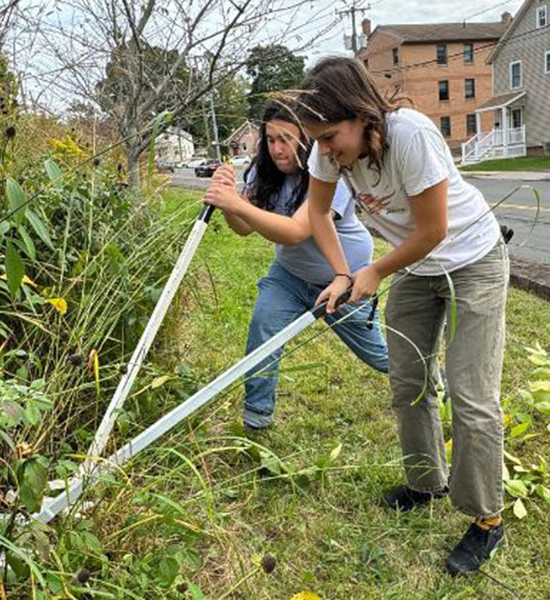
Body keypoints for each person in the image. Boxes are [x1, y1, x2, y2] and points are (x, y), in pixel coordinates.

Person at [296, 57, 510, 575]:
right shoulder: (330, 154)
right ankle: (426, 482)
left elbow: (433, 231)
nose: (325, 150)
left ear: (360, 114)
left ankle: (486, 519)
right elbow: (319, 213)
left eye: (330, 136)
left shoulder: (409, 135)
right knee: (407, 380)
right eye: (317, 140)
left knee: (471, 393)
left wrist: (373, 272)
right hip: (417, 268)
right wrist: (345, 273)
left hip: (471, 261)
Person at [202, 101, 389, 430]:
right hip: (289, 276)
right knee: (263, 327)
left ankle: (434, 384)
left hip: (344, 282)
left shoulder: (330, 173)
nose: (277, 148)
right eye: (270, 139)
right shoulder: (264, 172)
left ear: (307, 138)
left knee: (380, 356)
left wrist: (234, 203)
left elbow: (296, 232)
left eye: (285, 139)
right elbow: (243, 227)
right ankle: (257, 418)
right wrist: (229, 200)